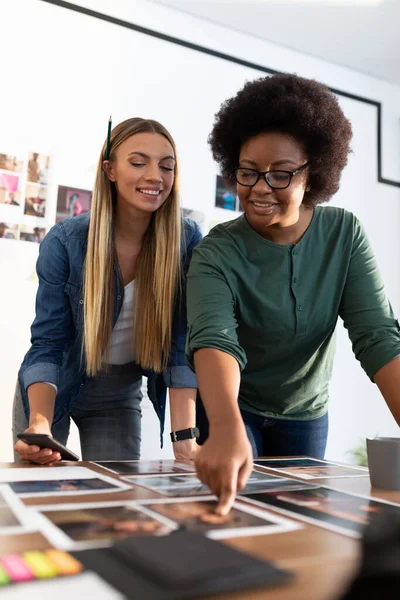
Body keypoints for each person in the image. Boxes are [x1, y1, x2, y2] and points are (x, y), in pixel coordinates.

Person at [186, 73, 400, 515]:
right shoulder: (215, 252)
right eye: (248, 173)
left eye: (281, 175)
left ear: (314, 173)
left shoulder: (344, 234)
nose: (261, 188)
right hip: (233, 407)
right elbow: (214, 339)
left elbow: (378, 336)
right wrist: (225, 427)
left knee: (299, 521)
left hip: (305, 412)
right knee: (234, 517)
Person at [13, 117, 202, 465]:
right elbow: (48, 342)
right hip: (55, 383)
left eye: (166, 166)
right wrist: (39, 421)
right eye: (138, 162)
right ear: (110, 170)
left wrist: (185, 439)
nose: (154, 176)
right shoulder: (66, 241)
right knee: (42, 498)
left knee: (115, 506)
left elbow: (181, 346)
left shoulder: (187, 241)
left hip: (118, 392)